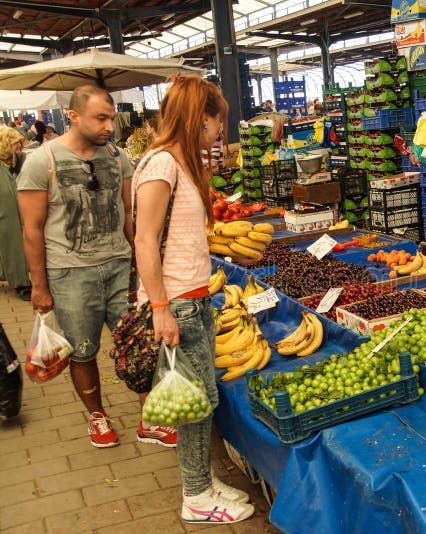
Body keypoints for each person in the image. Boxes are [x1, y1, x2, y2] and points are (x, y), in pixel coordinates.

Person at [16, 85, 176, 449]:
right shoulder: (43, 161)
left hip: (121, 268)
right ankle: (97, 416)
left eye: (111, 118)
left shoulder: (117, 157)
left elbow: (131, 215)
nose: (109, 126)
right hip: (70, 274)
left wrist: (148, 257)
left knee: (139, 344)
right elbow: (31, 229)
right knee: (83, 349)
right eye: (100, 118)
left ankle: (149, 418)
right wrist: (39, 286)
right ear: (73, 116)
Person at [133, 75, 254, 524]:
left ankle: (199, 481)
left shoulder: (181, 162)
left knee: (201, 399)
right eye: (216, 120)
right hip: (178, 302)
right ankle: (197, 497)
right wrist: (161, 308)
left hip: (194, 296)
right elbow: (144, 241)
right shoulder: (161, 164)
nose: (220, 129)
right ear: (198, 117)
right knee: (197, 400)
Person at [0, 127, 31, 300]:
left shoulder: (19, 162)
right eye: (15, 142)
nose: (19, 145)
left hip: (20, 214)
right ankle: (21, 284)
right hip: (6, 216)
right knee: (13, 248)